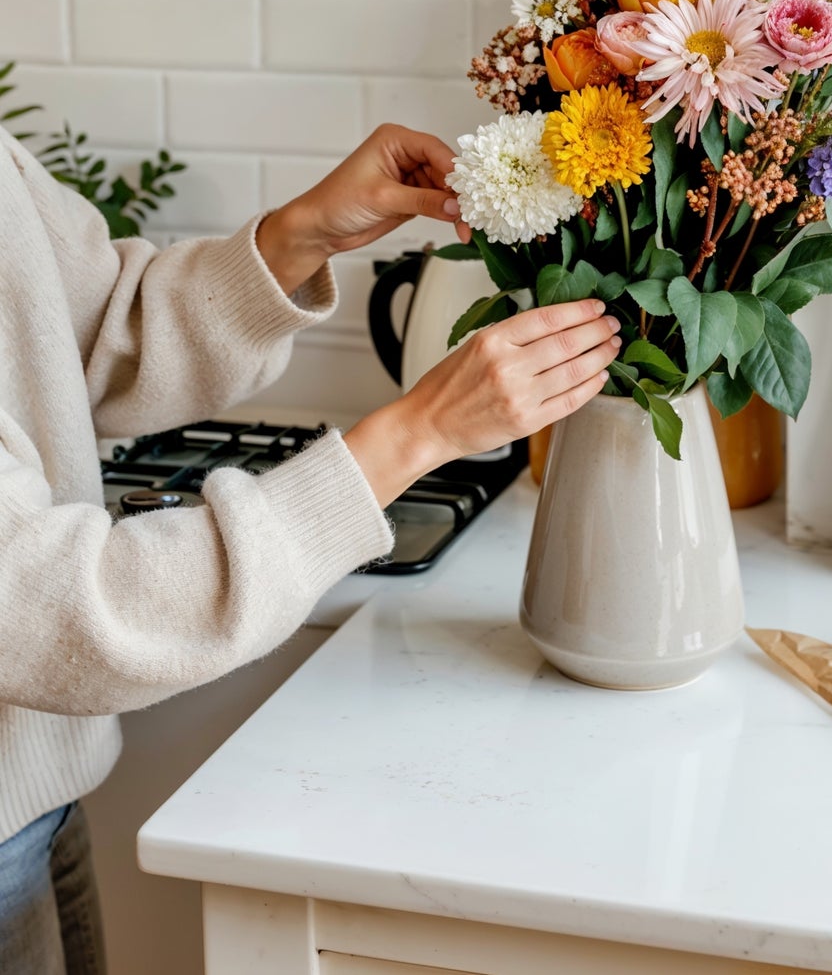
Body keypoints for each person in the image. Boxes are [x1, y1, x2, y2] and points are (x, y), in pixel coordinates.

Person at [0, 122, 619, 975]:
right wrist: (416, 434)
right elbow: (54, 606)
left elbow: (85, 330)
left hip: (39, 795)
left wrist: (299, 234)